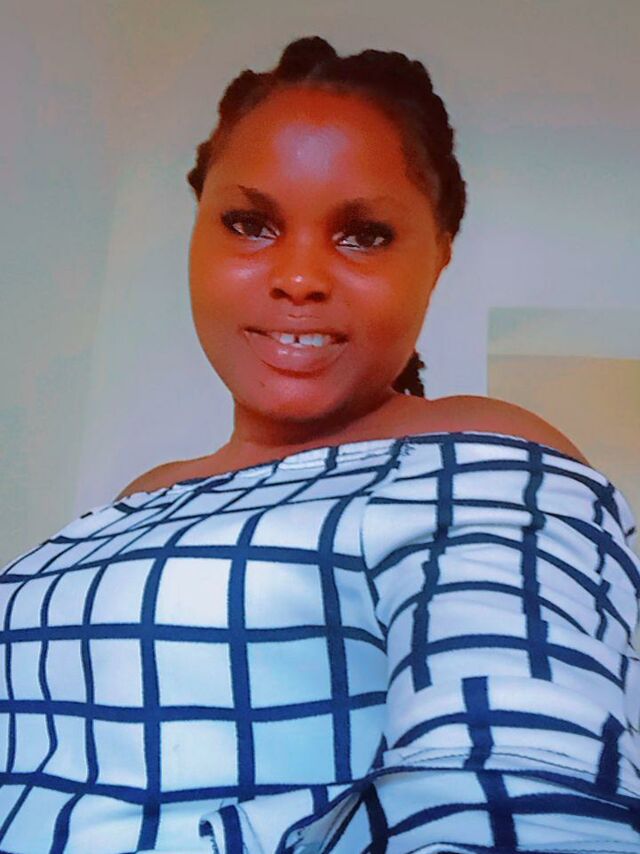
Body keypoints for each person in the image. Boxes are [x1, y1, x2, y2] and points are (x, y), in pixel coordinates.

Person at [0, 35, 638, 854]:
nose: (299, 277)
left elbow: (514, 782)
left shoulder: (477, 446)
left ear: (438, 256)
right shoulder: (148, 491)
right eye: (250, 224)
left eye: (363, 234)